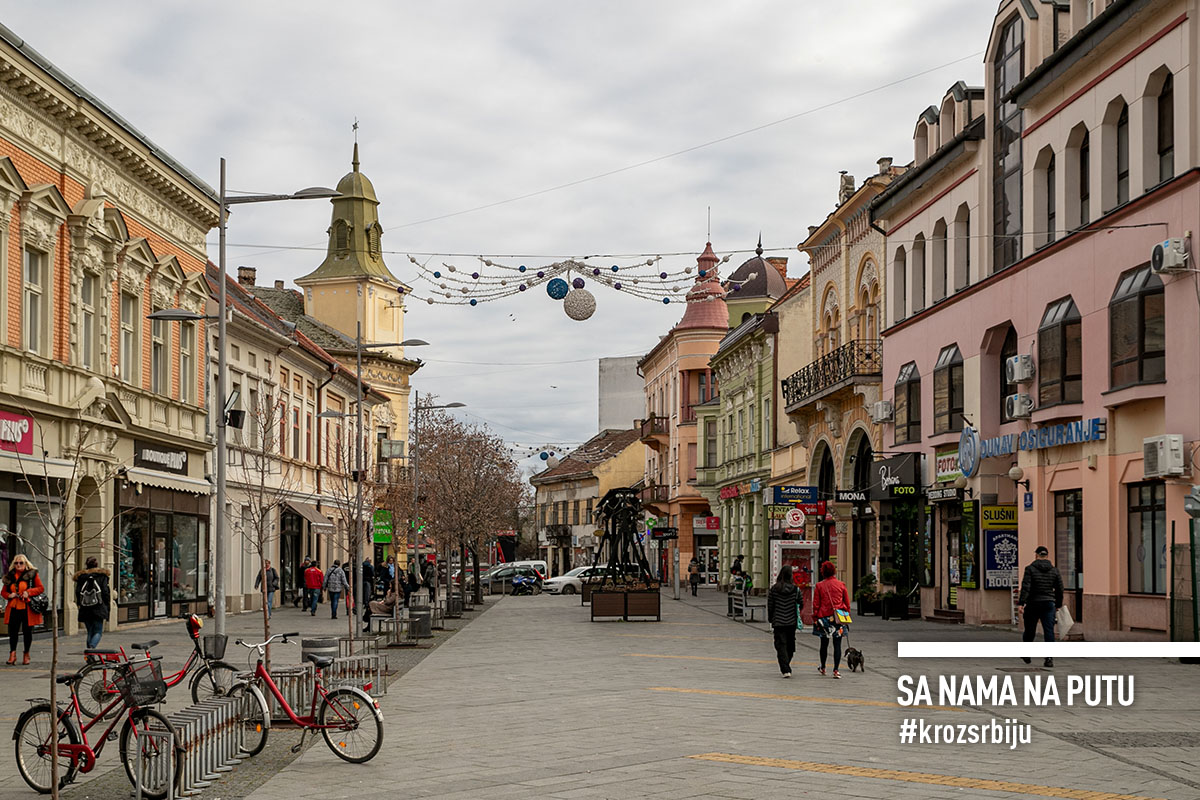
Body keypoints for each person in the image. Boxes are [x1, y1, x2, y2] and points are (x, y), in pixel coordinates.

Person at [1018, 545, 1064, 668]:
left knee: (1029, 630)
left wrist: (1021, 603)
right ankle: (1049, 658)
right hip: (1049, 604)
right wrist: (1058, 604)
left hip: (1033, 603)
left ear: (1036, 555)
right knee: (1049, 631)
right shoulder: (1055, 571)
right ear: (1047, 556)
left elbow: (1026, 587)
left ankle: (1027, 653)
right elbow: (1060, 589)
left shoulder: (1030, 569)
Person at [2, 554, 44, 665]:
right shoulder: (9, 576)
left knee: (27, 632)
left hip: (27, 608)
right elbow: (3, 592)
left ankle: (26, 654)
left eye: (21, 563)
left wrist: (28, 592)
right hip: (13, 607)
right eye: (16, 563)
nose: (18, 565)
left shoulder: (32, 574)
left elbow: (40, 588)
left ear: (26, 564)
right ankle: (12, 654)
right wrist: (8, 595)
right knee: (13, 632)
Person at [811, 560, 850, 678]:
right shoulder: (841, 585)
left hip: (824, 619)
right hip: (838, 618)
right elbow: (847, 604)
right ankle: (836, 670)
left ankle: (823, 667)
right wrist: (845, 614)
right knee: (837, 644)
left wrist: (815, 618)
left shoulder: (819, 586)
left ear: (823, 572)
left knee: (824, 644)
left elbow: (816, 604)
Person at [767, 565, 802, 678]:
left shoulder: (774, 589)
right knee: (790, 645)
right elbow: (801, 603)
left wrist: (771, 618)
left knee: (780, 645)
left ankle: (785, 668)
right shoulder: (795, 589)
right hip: (791, 621)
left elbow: (770, 605)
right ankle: (786, 665)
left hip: (778, 621)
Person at [73, 557, 110, 649]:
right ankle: (91, 649)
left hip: (85, 608)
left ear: (87, 565)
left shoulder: (81, 577)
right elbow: (105, 592)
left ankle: (89, 654)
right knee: (98, 632)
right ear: (96, 565)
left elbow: (78, 592)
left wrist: (80, 604)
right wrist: (107, 606)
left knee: (90, 632)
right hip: (99, 608)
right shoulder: (102, 576)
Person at [361, 558, 375, 633]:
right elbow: (373, 574)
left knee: (369, 608)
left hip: (362, 581)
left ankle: (365, 619)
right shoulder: (370, 567)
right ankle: (366, 605)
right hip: (368, 582)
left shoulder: (361, 566)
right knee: (368, 598)